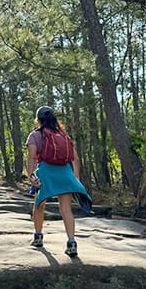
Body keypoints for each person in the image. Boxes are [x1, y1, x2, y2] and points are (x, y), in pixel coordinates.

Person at [26, 106, 92, 256]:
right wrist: (75, 178)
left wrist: (31, 175)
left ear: (38, 120)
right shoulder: (63, 135)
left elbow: (31, 157)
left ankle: (38, 236)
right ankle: (71, 242)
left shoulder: (35, 135)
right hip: (65, 173)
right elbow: (75, 158)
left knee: (39, 205)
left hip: (46, 173)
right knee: (66, 209)